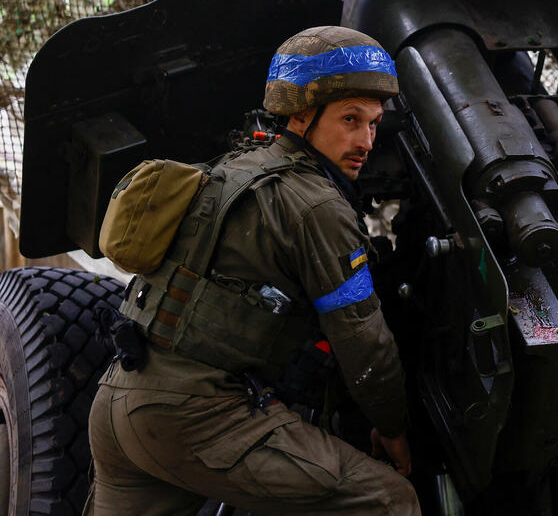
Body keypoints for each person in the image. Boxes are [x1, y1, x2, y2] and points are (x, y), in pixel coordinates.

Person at [87, 26, 420, 515]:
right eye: (351, 119)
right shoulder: (316, 206)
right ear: (302, 115)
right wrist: (392, 429)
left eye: (372, 124)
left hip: (118, 401)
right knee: (388, 500)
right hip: (192, 417)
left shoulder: (231, 168)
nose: (365, 140)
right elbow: (364, 342)